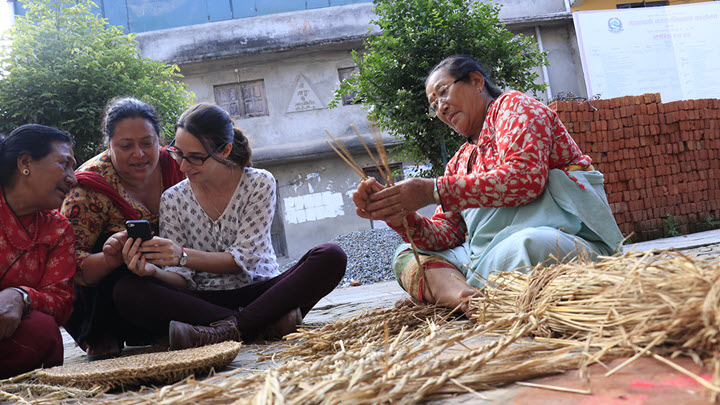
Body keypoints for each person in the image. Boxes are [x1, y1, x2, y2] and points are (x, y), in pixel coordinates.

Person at [353, 55, 623, 315]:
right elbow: (447, 233)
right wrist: (398, 214)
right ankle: (463, 297)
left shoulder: (514, 107)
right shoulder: (459, 161)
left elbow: (525, 178)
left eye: (444, 92)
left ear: (476, 81)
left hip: (561, 239)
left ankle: (450, 292)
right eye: (434, 105)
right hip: (484, 258)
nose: (441, 107)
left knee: (527, 246)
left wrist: (432, 190)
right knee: (405, 255)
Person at [111, 103, 346, 349]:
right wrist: (151, 271)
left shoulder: (259, 183)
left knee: (331, 256)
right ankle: (263, 324)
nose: (182, 166)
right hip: (203, 300)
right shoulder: (173, 198)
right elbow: (182, 279)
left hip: (262, 291)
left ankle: (223, 330)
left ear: (225, 151)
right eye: (177, 153)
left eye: (195, 158)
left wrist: (181, 255)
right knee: (126, 290)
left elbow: (242, 260)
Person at [61, 97, 185, 360]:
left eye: (147, 143)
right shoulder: (88, 187)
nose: (138, 154)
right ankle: (102, 334)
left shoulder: (179, 166)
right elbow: (66, 261)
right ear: (109, 145)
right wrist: (111, 257)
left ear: (159, 140)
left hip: (178, 276)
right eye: (126, 146)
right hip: (111, 294)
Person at [0, 124, 78, 378]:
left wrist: (19, 295)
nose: (73, 178)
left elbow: (61, 301)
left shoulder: (58, 228)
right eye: (64, 164)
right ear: (25, 162)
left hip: (7, 336)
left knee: (43, 332)